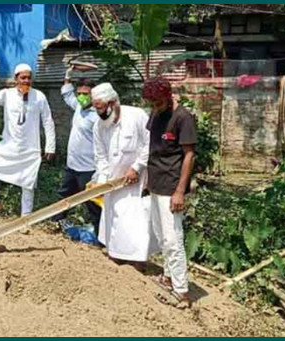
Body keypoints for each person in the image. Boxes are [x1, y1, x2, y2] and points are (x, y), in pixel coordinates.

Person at [144, 76, 197, 308]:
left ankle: (182, 290)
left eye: (157, 103)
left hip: (171, 186)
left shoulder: (183, 117)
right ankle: (167, 277)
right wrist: (147, 179)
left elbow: (189, 155)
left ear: (167, 96)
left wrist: (180, 191)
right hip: (155, 183)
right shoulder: (156, 113)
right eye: (152, 104)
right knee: (160, 233)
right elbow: (152, 147)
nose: (154, 108)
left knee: (173, 238)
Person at [0, 63, 56, 217]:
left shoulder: (39, 96)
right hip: (8, 146)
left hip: (31, 148)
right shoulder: (7, 94)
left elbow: (48, 121)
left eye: (29, 78)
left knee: (28, 185)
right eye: (23, 77)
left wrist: (50, 147)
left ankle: (25, 216)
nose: (26, 81)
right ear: (16, 79)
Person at [90, 83, 152, 268]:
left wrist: (137, 167)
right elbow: (100, 156)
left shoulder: (137, 116)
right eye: (95, 108)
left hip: (137, 181)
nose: (98, 112)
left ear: (113, 103)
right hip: (113, 183)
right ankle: (116, 257)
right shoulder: (98, 126)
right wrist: (102, 182)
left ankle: (137, 262)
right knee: (114, 222)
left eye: (100, 108)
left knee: (135, 222)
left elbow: (150, 143)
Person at [51, 66, 101, 233]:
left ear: (93, 95)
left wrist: (99, 171)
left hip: (89, 169)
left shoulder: (98, 117)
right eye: (79, 93)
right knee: (64, 195)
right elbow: (67, 94)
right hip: (72, 166)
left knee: (92, 202)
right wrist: (68, 73)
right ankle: (57, 223)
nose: (81, 97)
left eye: (85, 94)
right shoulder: (79, 108)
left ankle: (101, 234)